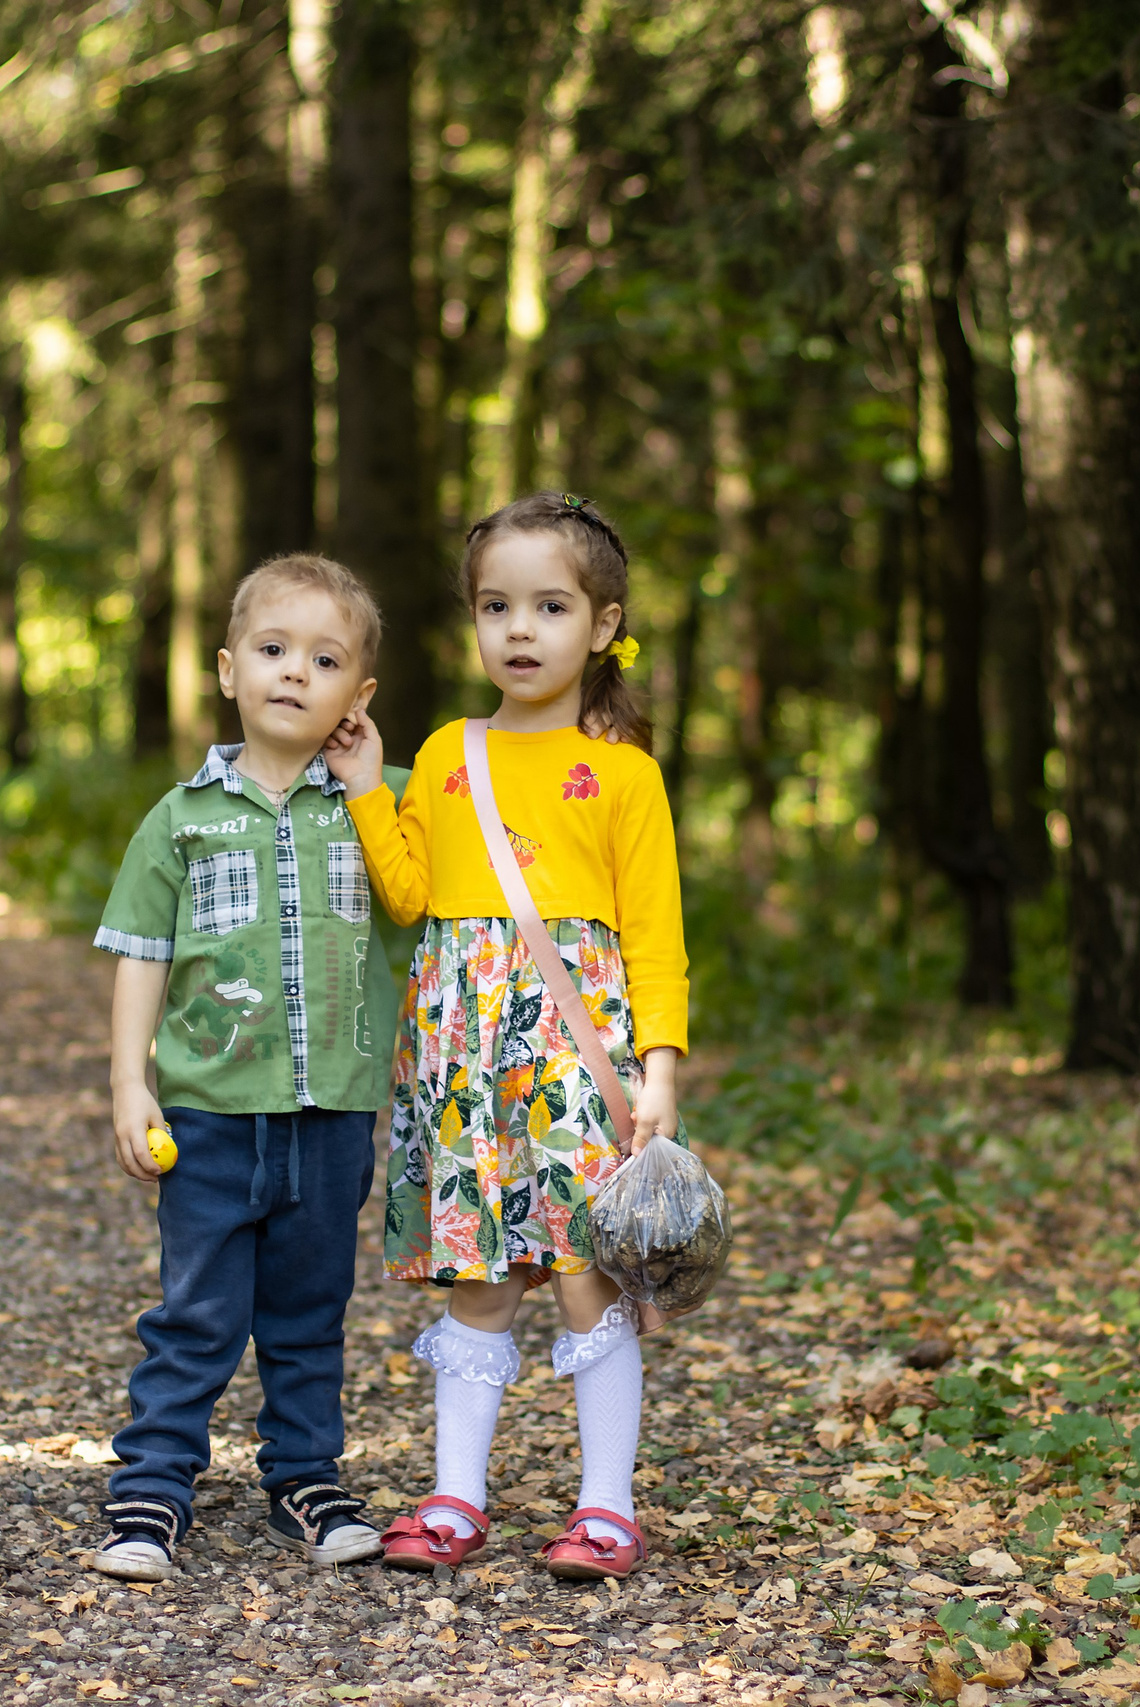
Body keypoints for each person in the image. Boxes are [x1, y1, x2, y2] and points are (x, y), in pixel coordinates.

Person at [324, 492, 686, 1583]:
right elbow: (410, 898)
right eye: (495, 606)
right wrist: (360, 789)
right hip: (458, 1052)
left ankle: (605, 1506)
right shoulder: (446, 751)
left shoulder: (621, 771)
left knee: (586, 1272)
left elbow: (656, 936)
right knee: (474, 1275)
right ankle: (453, 1498)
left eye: (549, 606)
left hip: (578, 1059)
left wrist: (658, 1071)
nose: (519, 630)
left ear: (603, 623)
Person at [86, 554, 410, 1582]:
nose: (291, 673)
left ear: (356, 698)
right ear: (228, 670)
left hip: (331, 1116)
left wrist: (370, 789)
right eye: (272, 651)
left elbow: (429, 900)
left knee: (310, 1312)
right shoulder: (180, 818)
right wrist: (129, 1083)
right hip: (211, 1112)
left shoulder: (379, 806)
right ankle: (150, 1489)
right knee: (196, 1311)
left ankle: (305, 1479)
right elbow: (141, 953)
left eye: (322, 661)